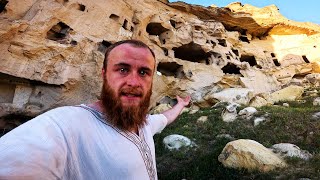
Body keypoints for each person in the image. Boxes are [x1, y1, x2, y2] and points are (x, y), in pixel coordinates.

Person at [0, 40, 190, 179]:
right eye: (122, 69)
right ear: (104, 74)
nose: (133, 82)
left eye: (143, 72)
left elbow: (165, 118)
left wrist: (180, 105)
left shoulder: (145, 124)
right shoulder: (67, 124)